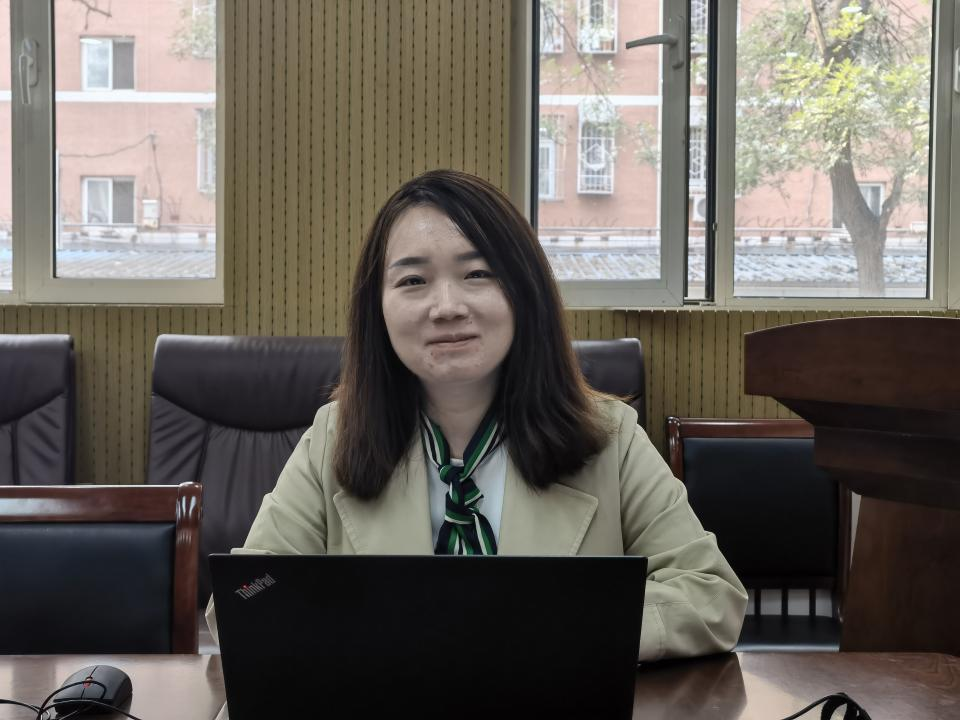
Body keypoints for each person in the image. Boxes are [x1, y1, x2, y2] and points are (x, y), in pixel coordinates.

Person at [207, 169, 746, 661]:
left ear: (524, 291)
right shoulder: (335, 436)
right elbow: (247, 594)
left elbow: (710, 593)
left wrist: (561, 628)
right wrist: (364, 625)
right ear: (378, 308)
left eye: (478, 273)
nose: (447, 307)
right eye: (412, 281)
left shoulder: (610, 438)